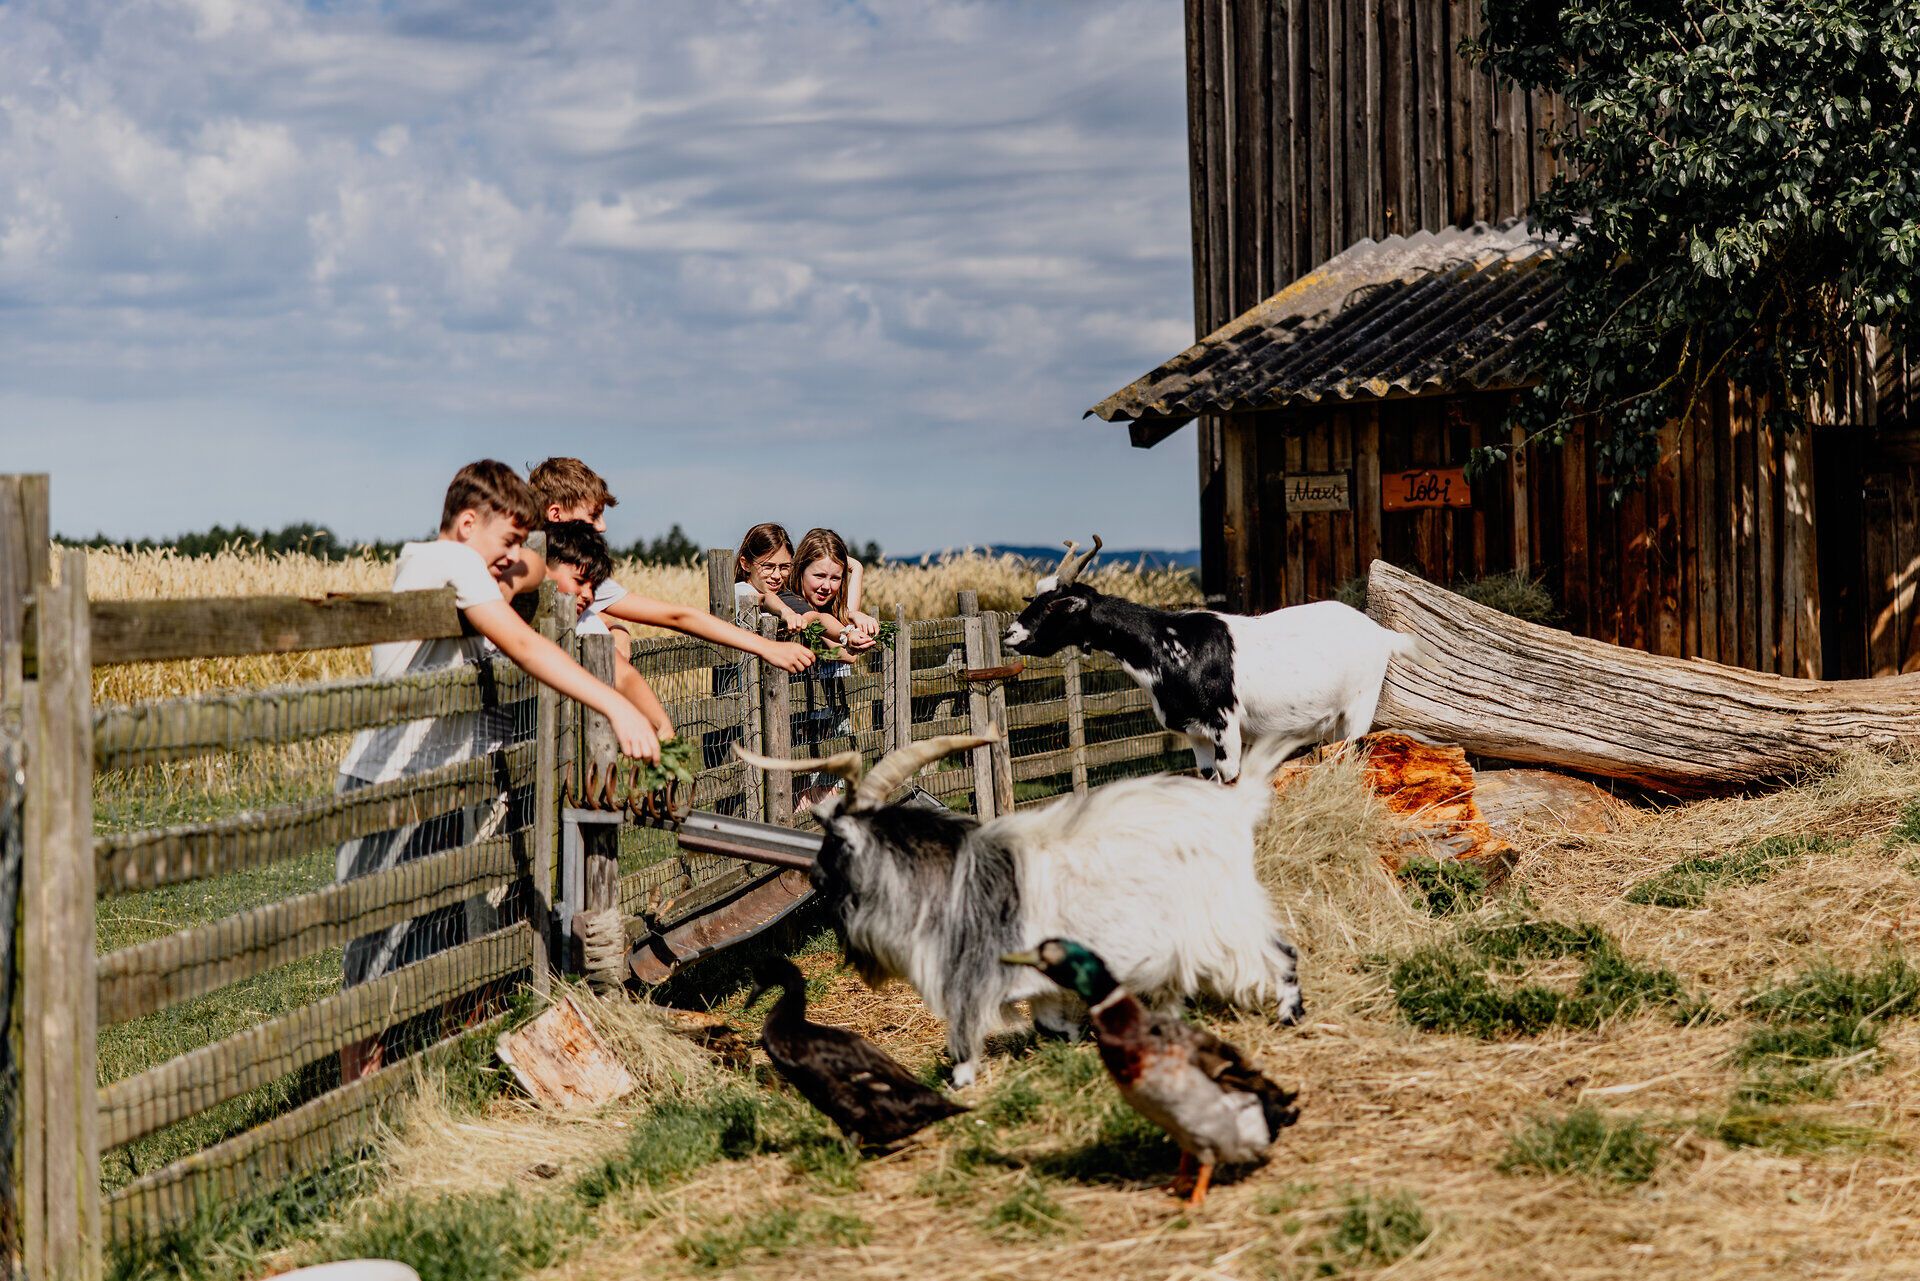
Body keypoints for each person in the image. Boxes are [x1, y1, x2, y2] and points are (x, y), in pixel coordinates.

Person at [335, 461, 655, 1079]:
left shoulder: (466, 569)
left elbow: (533, 569)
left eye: (520, 544)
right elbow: (529, 646)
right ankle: (357, 1096)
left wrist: (514, 561)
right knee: (374, 955)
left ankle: (425, 1076)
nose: (514, 556)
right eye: (507, 541)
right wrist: (614, 701)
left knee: (421, 943)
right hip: (387, 786)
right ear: (465, 522)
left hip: (432, 785)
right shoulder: (449, 562)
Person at [524, 458, 816, 674]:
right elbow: (677, 617)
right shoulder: (527, 565)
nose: (601, 527)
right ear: (556, 514)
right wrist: (766, 647)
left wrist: (613, 625)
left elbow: (677, 616)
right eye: (594, 514)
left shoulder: (573, 572)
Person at [543, 519, 675, 743]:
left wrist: (662, 725)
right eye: (579, 581)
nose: (588, 595)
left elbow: (623, 675)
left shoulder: (584, 621)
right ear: (544, 568)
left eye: (593, 587)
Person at [779, 528, 877, 811]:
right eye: (819, 576)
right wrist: (850, 626)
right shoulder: (798, 608)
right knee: (805, 803)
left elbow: (843, 620)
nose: (827, 585)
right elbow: (845, 652)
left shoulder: (833, 612)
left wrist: (855, 571)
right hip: (804, 721)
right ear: (799, 571)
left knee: (831, 799)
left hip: (829, 717)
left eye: (836, 577)